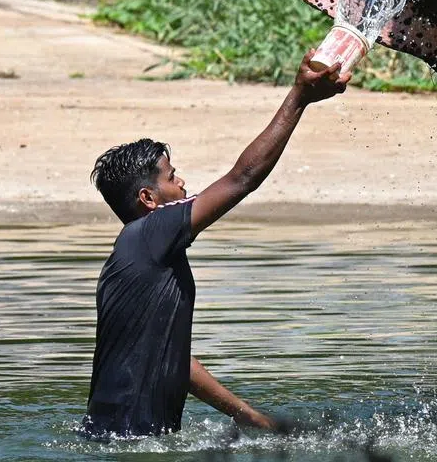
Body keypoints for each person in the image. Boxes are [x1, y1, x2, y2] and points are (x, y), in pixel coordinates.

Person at [82, 51, 350, 437]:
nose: (184, 184)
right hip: (128, 441)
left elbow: (175, 360)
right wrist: (298, 97)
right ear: (148, 199)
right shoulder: (150, 233)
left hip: (117, 439)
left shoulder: (135, 258)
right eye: (173, 178)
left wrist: (247, 415)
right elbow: (243, 178)